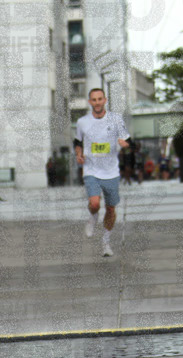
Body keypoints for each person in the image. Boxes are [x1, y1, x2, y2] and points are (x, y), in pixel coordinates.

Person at [74, 87, 130, 257]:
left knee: (111, 209)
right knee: (95, 203)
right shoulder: (82, 122)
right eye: (94, 99)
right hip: (91, 169)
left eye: (100, 99)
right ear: (90, 102)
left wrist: (124, 144)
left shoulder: (116, 119)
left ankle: (106, 242)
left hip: (111, 171)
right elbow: (77, 141)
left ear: (105, 100)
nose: (97, 102)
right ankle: (92, 217)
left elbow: (128, 141)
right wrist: (78, 154)